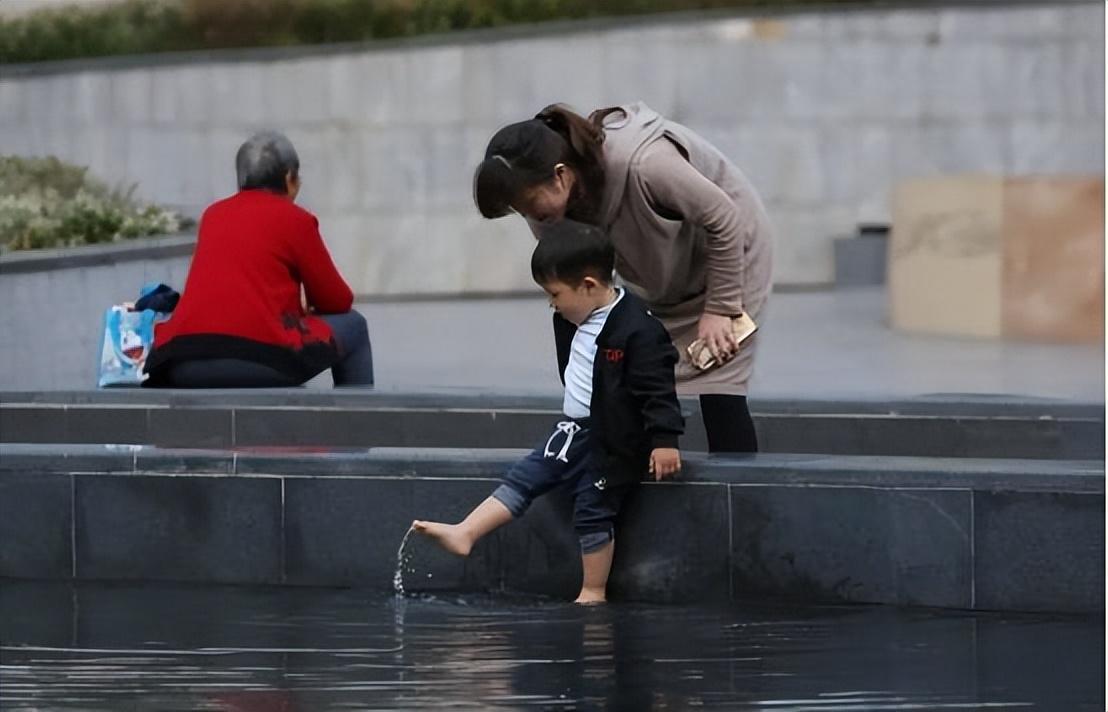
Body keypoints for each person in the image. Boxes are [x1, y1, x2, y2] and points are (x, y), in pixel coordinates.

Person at [473, 102, 773, 452]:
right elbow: (576, 283)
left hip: (728, 254)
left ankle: (740, 497)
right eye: (519, 210)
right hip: (657, 268)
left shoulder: (645, 164)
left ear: (560, 174)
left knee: (720, 385)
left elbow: (725, 219)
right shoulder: (545, 210)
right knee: (633, 370)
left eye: (530, 204)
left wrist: (721, 308)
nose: (530, 217)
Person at [413, 221, 683, 604]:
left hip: (612, 441)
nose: (551, 303)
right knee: (526, 476)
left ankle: (593, 590)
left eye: (555, 294)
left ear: (589, 285)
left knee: (592, 509)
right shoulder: (573, 318)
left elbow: (657, 388)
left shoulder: (638, 329)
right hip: (572, 429)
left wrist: (664, 440)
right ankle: (467, 532)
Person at [144, 131, 373, 388]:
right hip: (262, 360)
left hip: (184, 361)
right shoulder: (295, 219)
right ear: (289, 178)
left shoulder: (213, 215)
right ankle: (356, 423)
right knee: (354, 326)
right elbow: (337, 300)